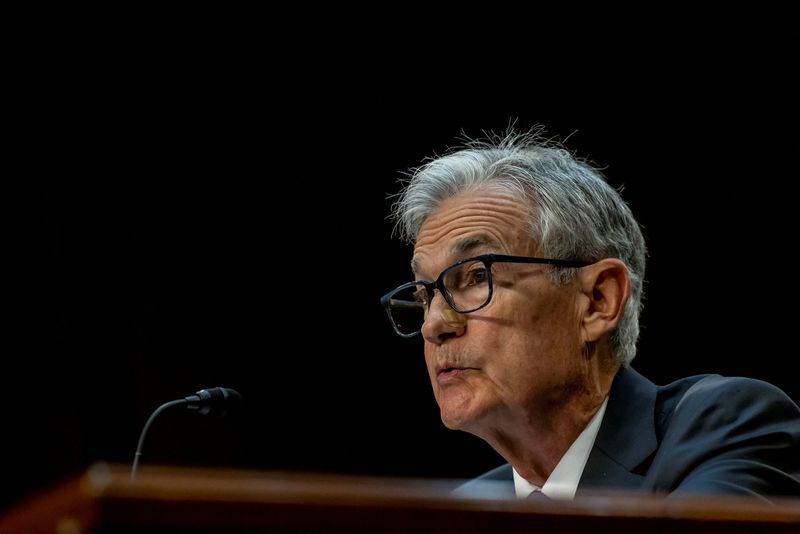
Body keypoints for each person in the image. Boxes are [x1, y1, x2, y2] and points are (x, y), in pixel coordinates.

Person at [380, 127, 800, 502]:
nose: (434, 324)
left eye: (474, 276)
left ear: (598, 301)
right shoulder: (463, 508)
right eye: (424, 294)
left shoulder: (726, 430)